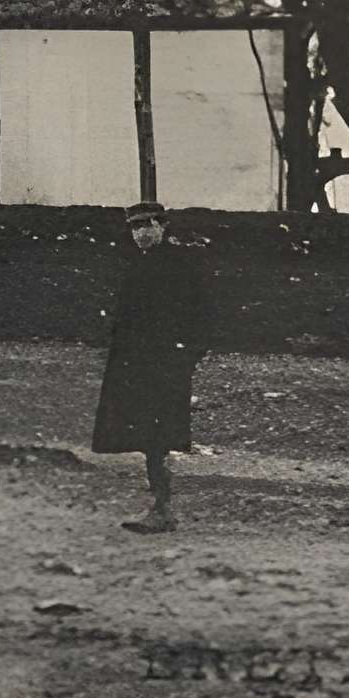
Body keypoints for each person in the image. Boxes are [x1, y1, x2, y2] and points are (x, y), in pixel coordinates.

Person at [91, 200, 208, 533]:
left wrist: (186, 354)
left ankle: (163, 508)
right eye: (135, 227)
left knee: (159, 434)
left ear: (162, 226)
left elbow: (202, 315)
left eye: (147, 226)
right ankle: (161, 505)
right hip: (136, 366)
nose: (141, 233)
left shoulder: (181, 267)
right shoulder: (137, 266)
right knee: (146, 434)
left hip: (166, 365)